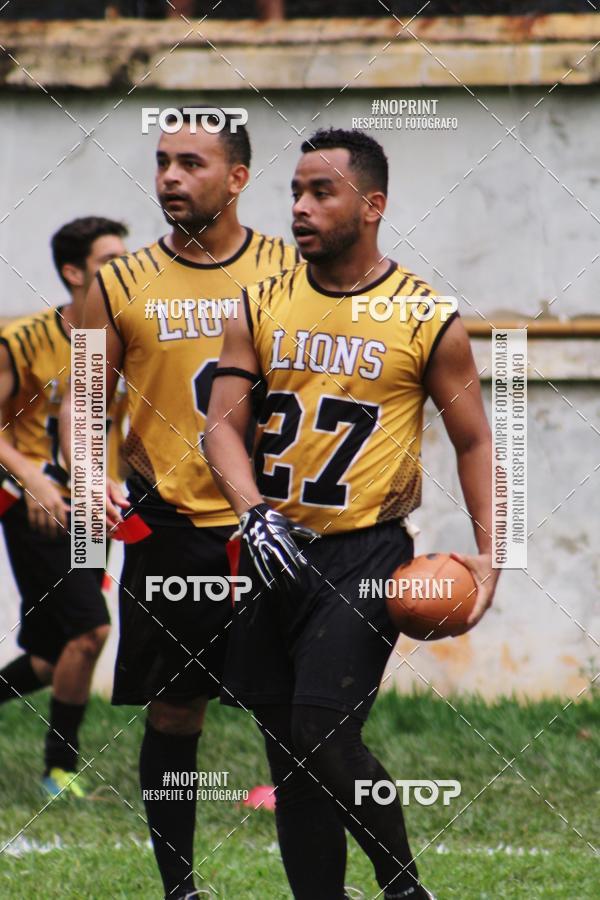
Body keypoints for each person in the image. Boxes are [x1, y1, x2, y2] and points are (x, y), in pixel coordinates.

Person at [205, 127, 499, 900]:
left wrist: (491, 554)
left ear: (372, 205)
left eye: (320, 192)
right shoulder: (259, 300)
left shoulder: (427, 315)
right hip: (276, 546)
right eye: (294, 192)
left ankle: (403, 887)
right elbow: (219, 426)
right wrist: (253, 512)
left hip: (364, 554)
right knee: (288, 759)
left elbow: (475, 441)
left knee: (322, 734)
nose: (299, 207)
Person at [74, 109, 298, 900]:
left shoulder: (290, 270)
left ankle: (318, 883)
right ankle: (181, 888)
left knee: (291, 716)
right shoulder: (116, 283)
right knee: (174, 712)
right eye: (164, 161)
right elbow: (83, 399)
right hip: (169, 530)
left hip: (272, 523)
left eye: (192, 163)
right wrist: (87, 469)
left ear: (237, 178)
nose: (170, 176)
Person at [0, 216, 128, 798]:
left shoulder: (128, 336)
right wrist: (29, 476)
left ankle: (58, 762)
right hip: (35, 504)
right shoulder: (25, 339)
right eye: (109, 262)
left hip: (90, 507)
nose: (124, 272)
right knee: (89, 633)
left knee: (54, 658)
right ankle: (59, 767)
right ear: (74, 272)